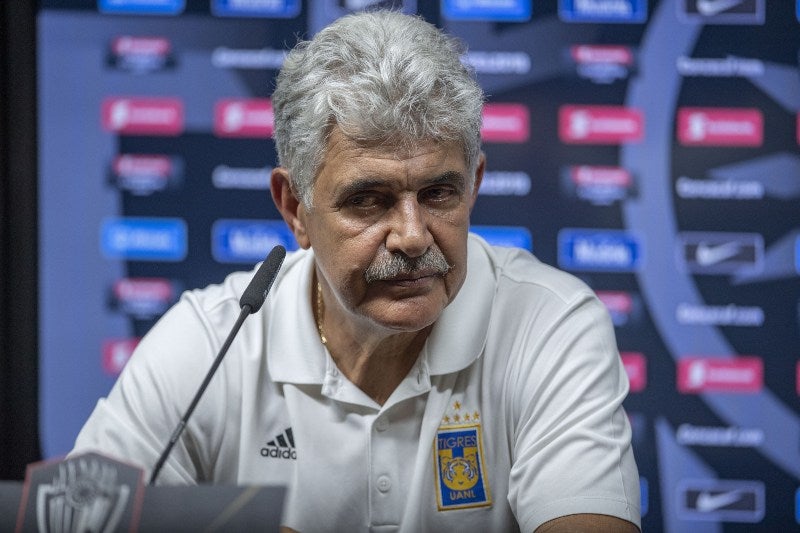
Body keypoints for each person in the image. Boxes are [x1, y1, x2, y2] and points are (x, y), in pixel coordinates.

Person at [72, 10, 641, 532]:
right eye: (368, 200)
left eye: (438, 193)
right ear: (295, 208)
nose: (413, 236)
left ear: (474, 186)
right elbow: (73, 515)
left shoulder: (549, 323)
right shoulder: (211, 342)